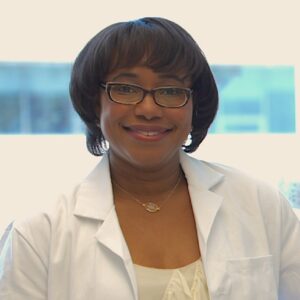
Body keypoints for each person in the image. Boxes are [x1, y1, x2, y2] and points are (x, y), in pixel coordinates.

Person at [0, 17, 299, 300]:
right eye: (126, 89)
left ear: (195, 104)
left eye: (170, 91)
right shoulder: (38, 230)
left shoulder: (259, 203)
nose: (148, 109)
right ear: (95, 101)